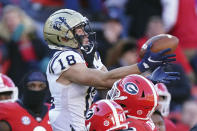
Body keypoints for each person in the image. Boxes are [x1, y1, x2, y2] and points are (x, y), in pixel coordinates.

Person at [43, 9, 176, 130]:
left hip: (85, 122)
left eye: (83, 28)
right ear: (63, 37)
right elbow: (103, 80)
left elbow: (112, 85)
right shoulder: (63, 58)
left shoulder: (89, 54)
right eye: (78, 30)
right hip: (67, 124)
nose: (84, 33)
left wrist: (146, 81)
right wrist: (143, 66)